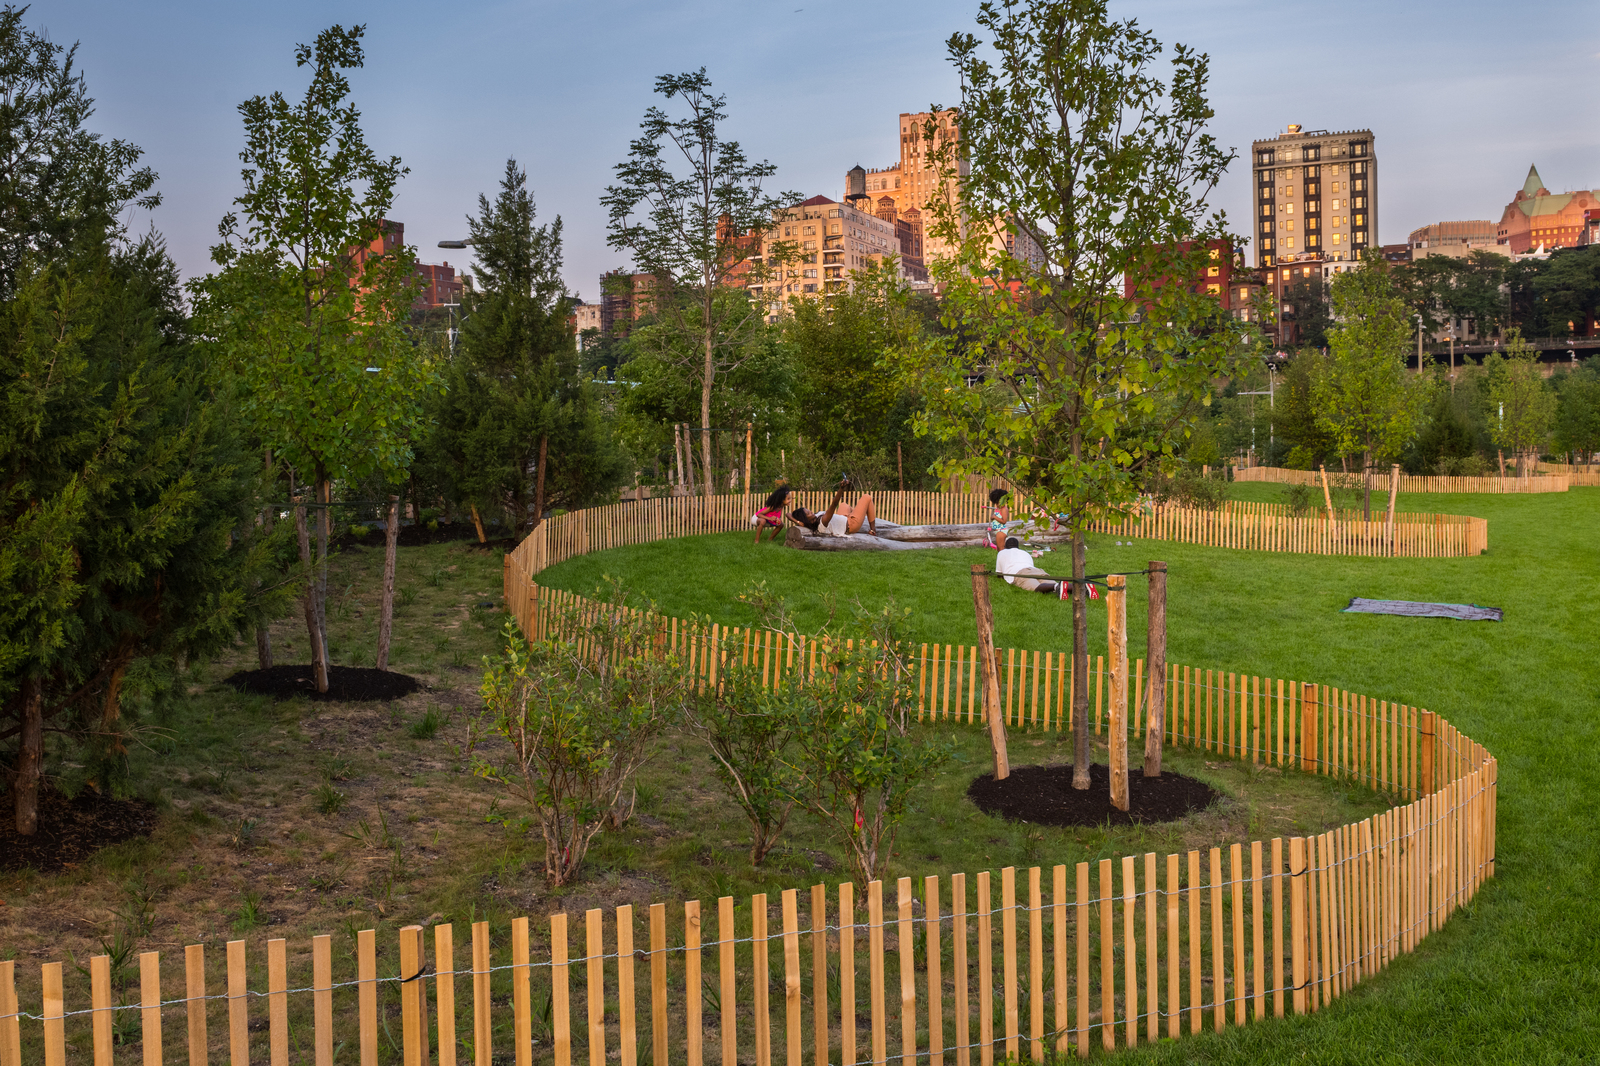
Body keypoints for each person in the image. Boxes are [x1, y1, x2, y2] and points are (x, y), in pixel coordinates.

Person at [790, 477, 878, 536]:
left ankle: (859, 513)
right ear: (806, 519)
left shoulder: (812, 520)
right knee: (867, 497)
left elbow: (788, 514)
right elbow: (834, 504)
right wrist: (841, 488)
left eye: (808, 510)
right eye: (808, 513)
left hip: (844, 518)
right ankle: (873, 530)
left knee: (843, 504)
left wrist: (798, 522)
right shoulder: (823, 522)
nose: (811, 511)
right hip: (851, 525)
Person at [995, 536, 1059, 595]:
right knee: (1053, 583)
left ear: (1005, 546)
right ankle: (1060, 586)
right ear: (1017, 546)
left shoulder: (1002, 553)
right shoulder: (1025, 552)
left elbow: (999, 574)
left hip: (1019, 573)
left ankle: (1055, 587)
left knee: (1036, 587)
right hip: (1035, 570)